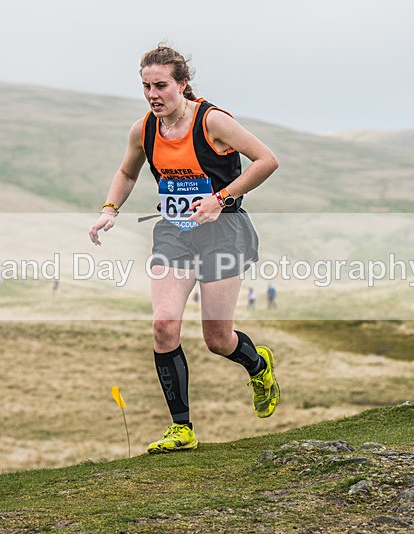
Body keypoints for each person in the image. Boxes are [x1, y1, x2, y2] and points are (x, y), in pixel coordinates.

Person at [88, 45, 280, 454]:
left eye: (161, 86)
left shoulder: (213, 121)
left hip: (223, 232)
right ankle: (182, 429)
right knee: (163, 326)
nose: (153, 95)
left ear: (183, 85)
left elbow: (266, 160)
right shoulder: (143, 130)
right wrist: (110, 209)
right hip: (173, 234)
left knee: (217, 338)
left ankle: (258, 366)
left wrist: (221, 199)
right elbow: (127, 171)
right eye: (146, 87)